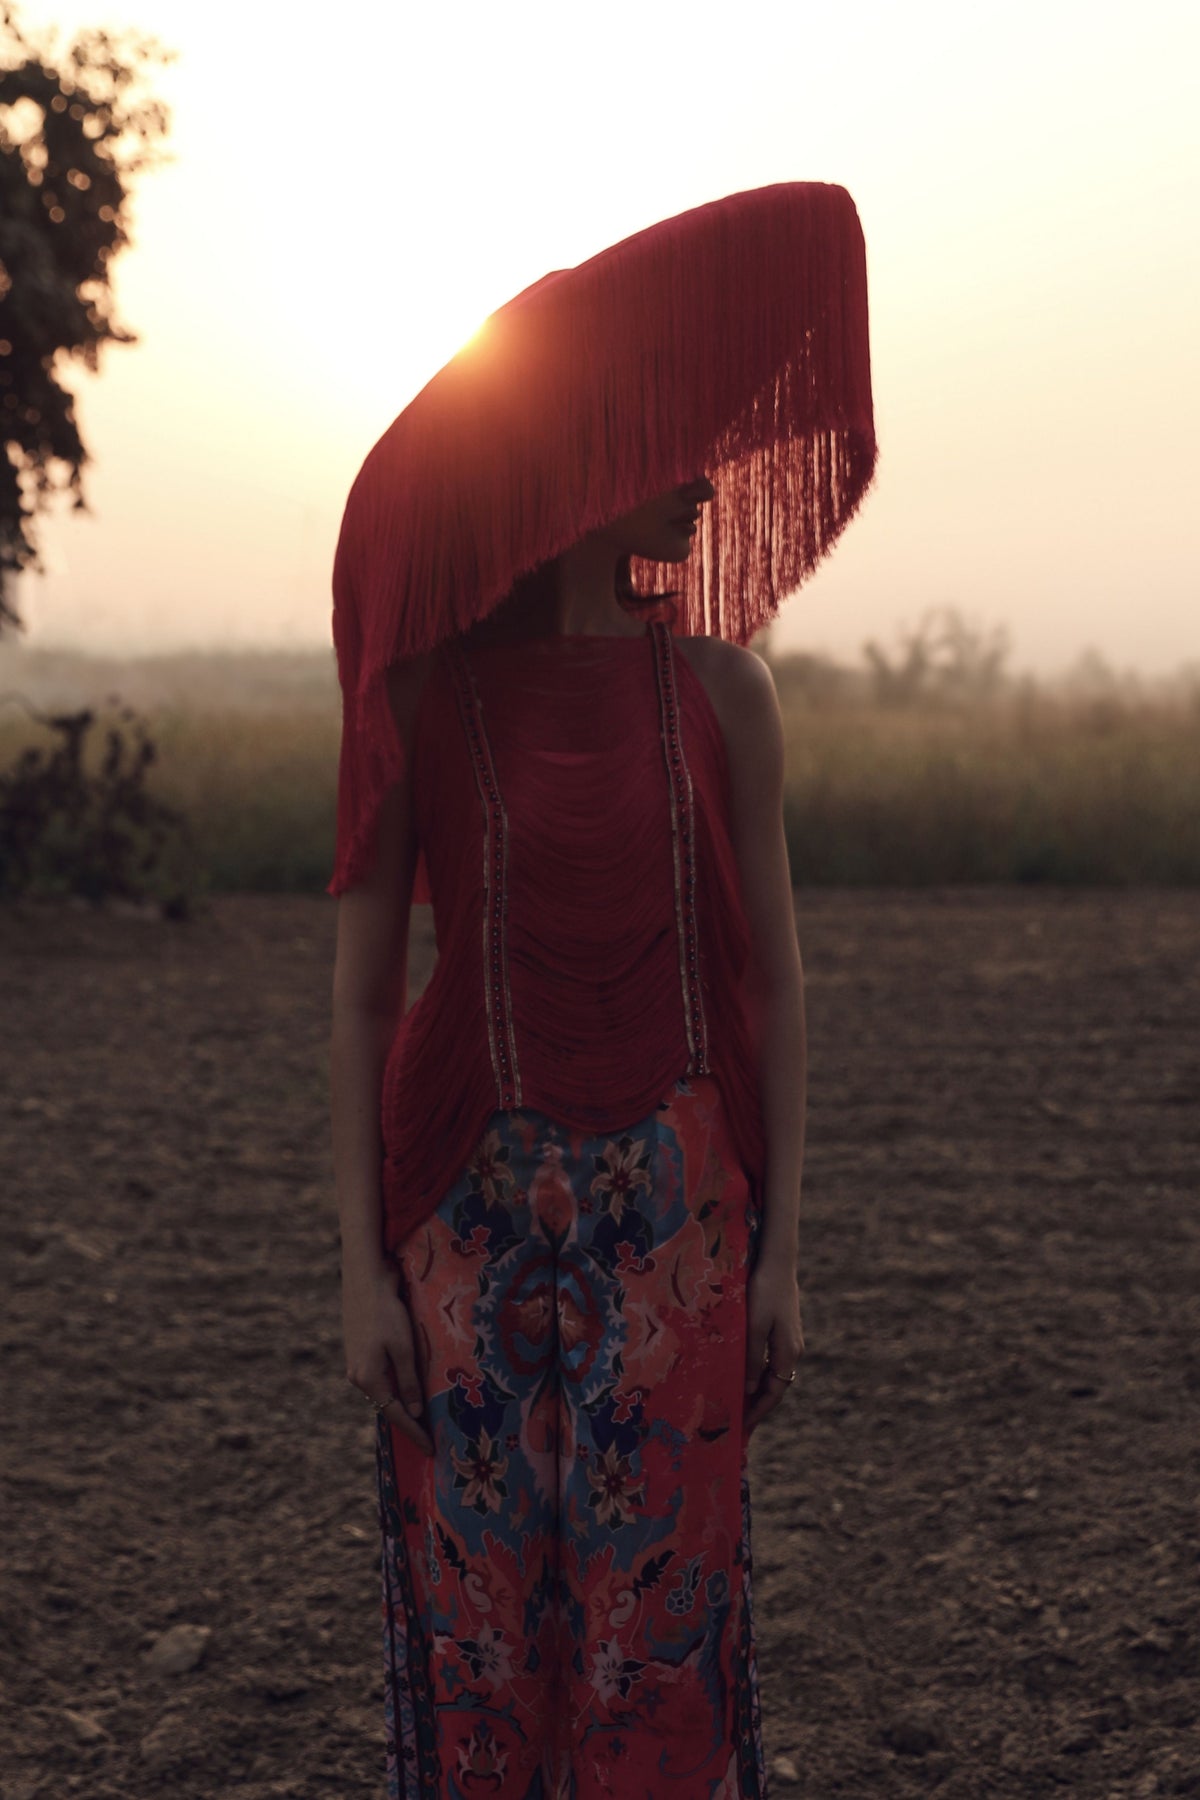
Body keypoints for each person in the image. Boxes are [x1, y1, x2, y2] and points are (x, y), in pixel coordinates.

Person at [330, 471, 807, 1797]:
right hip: (460, 1227)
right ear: (573, 465)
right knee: (477, 1633)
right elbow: (366, 999)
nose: (704, 482)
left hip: (678, 1225)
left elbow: (771, 981)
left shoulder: (727, 694)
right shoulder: (423, 696)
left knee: (660, 1627)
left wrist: (780, 1254)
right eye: (663, 451)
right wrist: (358, 1271)